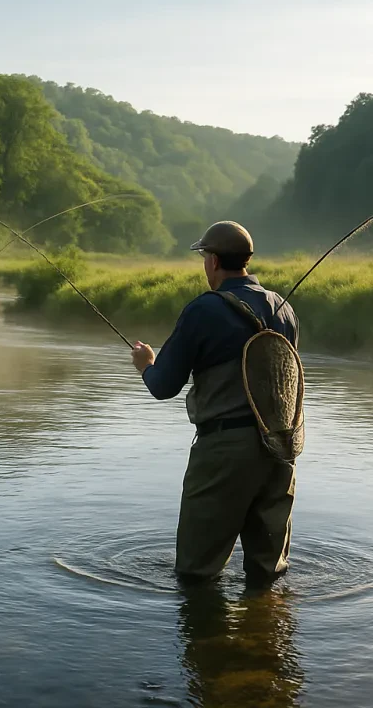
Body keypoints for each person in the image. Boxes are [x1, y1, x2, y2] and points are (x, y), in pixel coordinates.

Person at [130, 221, 300, 584]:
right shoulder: (284, 310)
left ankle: (206, 635)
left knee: (196, 573)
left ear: (213, 261)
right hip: (280, 449)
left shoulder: (203, 310)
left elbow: (163, 387)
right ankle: (266, 634)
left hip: (224, 450)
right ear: (247, 261)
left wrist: (146, 365)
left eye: (205, 256)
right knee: (268, 575)